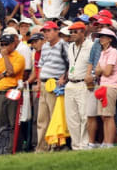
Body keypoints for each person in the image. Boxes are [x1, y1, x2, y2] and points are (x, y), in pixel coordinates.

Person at [36, 21, 68, 152]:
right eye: (44, 31)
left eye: (49, 31)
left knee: (54, 117)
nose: (46, 34)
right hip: (44, 83)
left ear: (56, 31)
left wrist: (64, 77)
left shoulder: (63, 45)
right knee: (42, 118)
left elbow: (70, 63)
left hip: (55, 83)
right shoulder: (44, 46)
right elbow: (41, 65)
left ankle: (55, 146)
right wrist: (38, 83)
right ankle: (41, 148)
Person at [0, 33, 25, 151]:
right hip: (1, 92)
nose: (3, 47)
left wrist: (5, 57)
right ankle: (3, 147)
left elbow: (11, 72)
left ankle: (13, 148)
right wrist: (4, 74)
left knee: (13, 122)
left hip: (13, 91)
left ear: (13, 44)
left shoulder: (19, 57)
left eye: (6, 44)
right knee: (2, 121)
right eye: (2, 44)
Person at [65, 22, 93, 150]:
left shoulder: (91, 46)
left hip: (83, 83)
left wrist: (91, 79)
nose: (72, 34)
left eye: (75, 32)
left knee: (84, 115)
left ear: (83, 31)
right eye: (71, 32)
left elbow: (94, 64)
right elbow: (71, 64)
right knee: (71, 118)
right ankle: (75, 146)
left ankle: (84, 144)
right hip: (70, 83)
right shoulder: (70, 46)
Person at [94, 28, 117, 148]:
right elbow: (97, 71)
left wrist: (100, 70)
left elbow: (107, 71)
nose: (101, 38)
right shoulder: (103, 52)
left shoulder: (113, 51)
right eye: (100, 36)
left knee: (108, 116)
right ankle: (107, 142)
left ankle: (109, 143)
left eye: (104, 36)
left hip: (111, 86)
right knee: (104, 116)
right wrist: (100, 70)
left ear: (110, 39)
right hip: (103, 85)